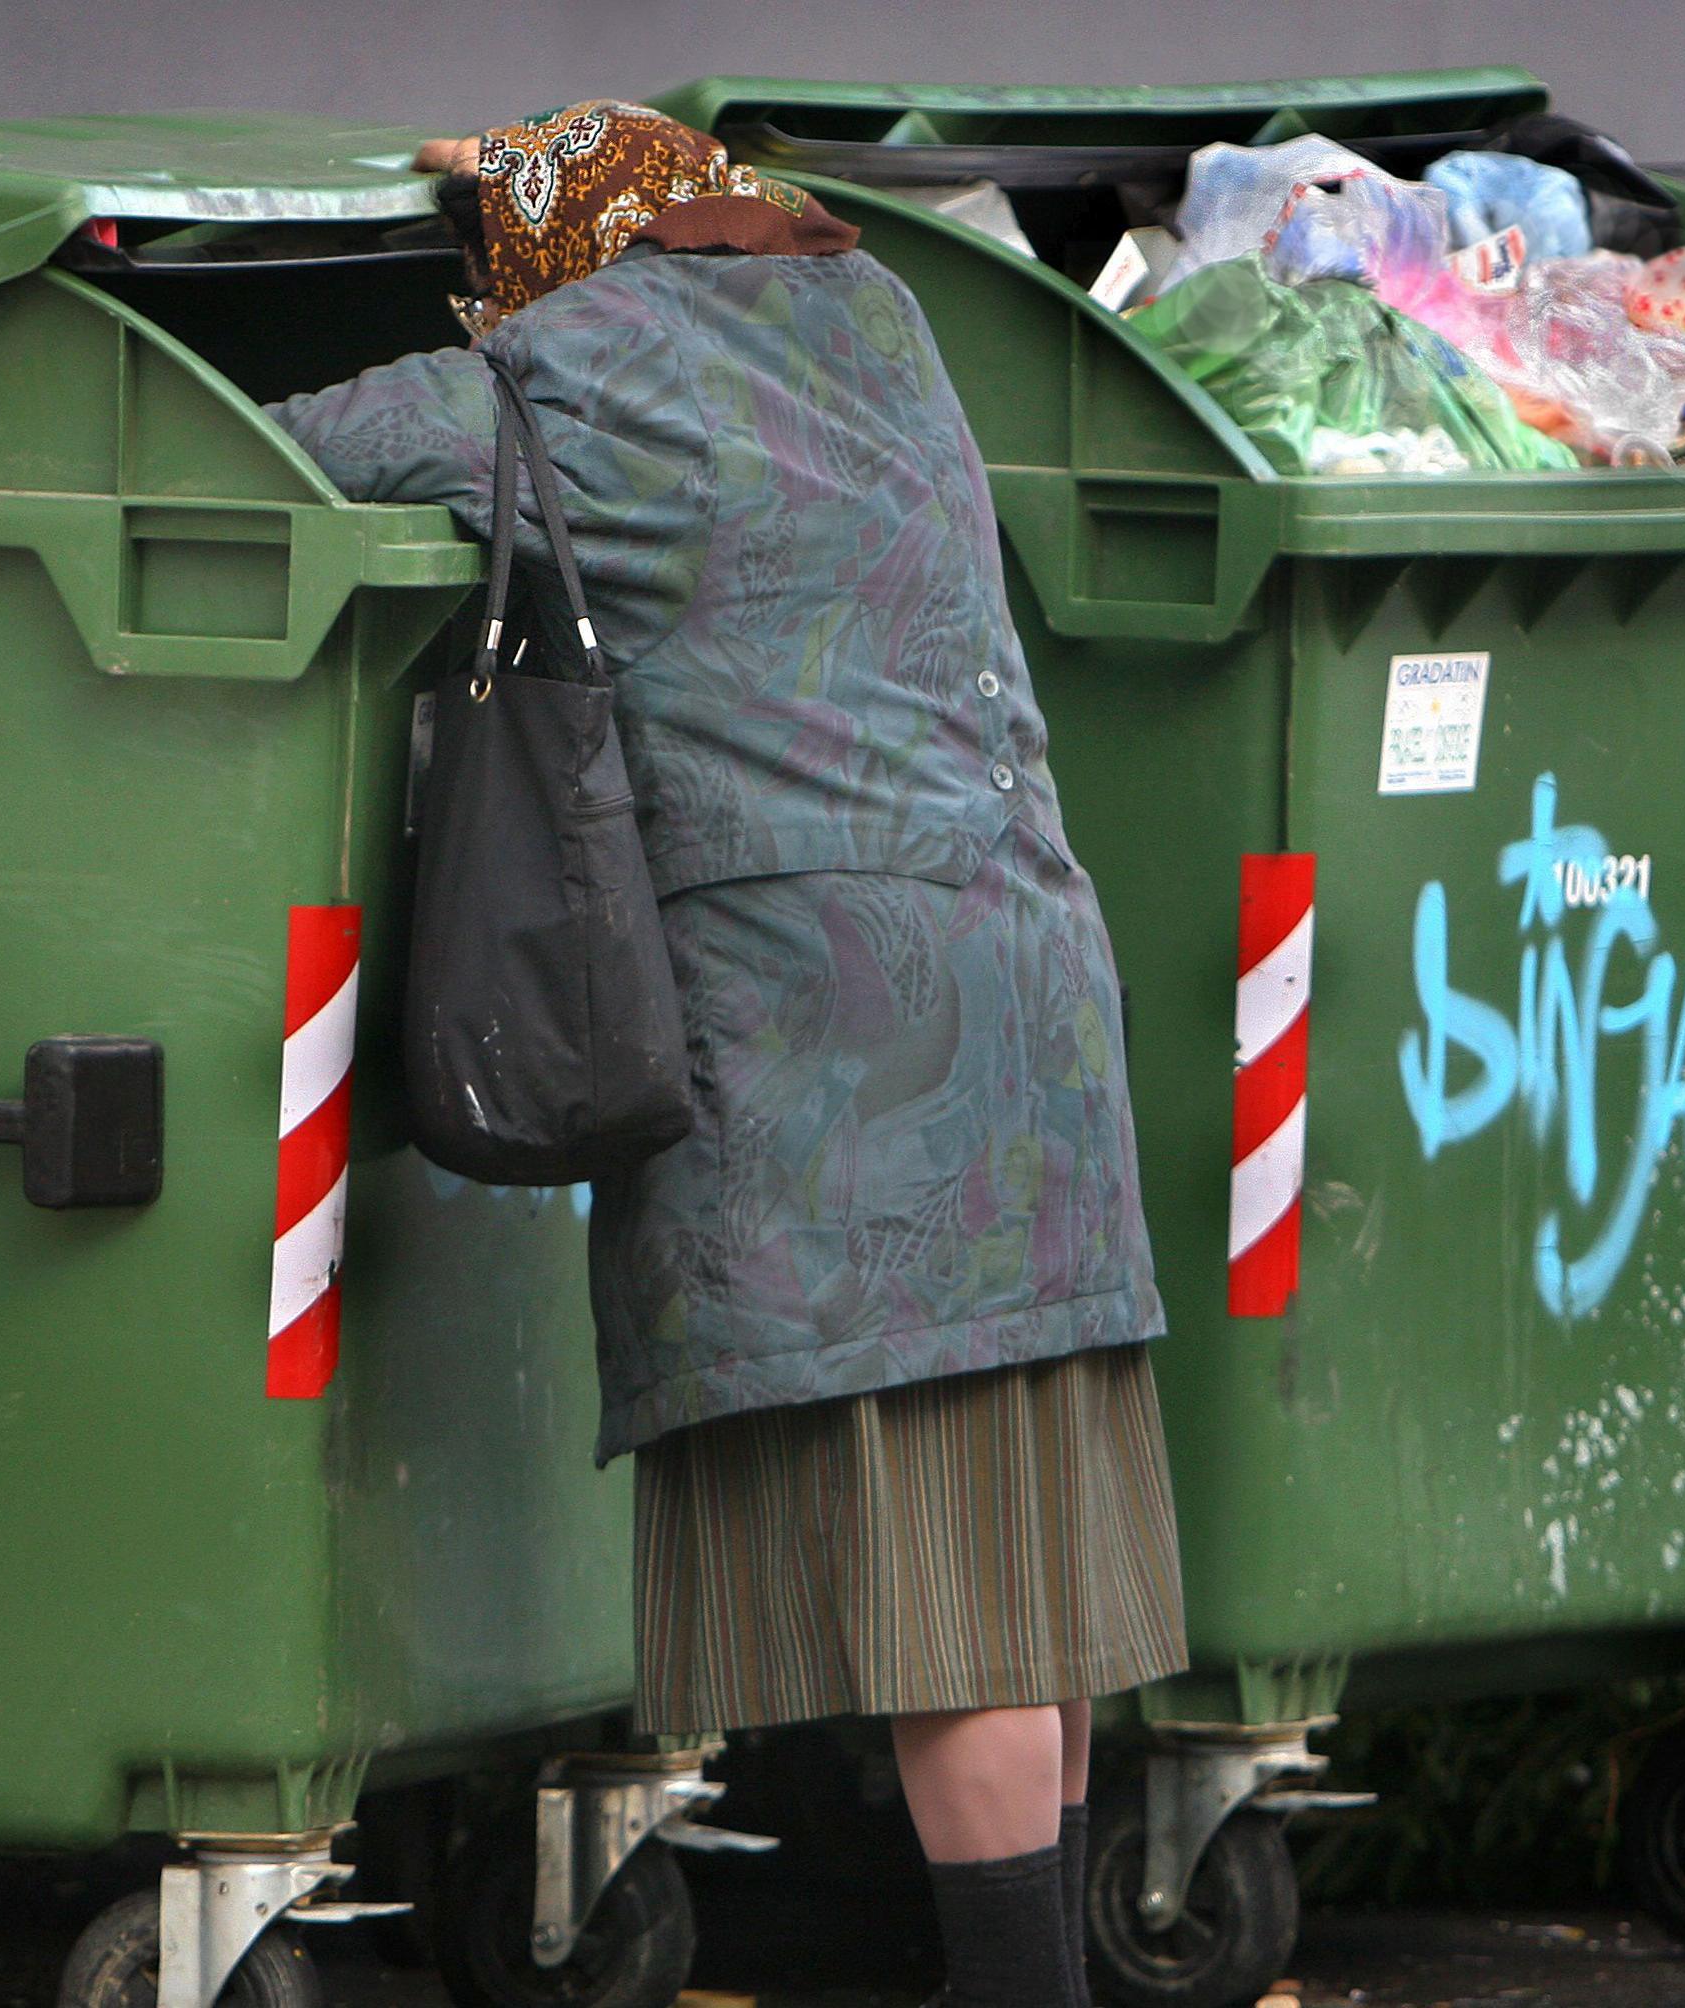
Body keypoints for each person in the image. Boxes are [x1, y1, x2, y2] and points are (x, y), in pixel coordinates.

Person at [267, 103, 1185, 2008]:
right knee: (1022, 1569)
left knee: (956, 1600)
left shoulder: (583, 364)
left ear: (558, 258)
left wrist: (480, 253)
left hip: (860, 1040)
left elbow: (296, 457)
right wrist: (558, 178)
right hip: (1026, 978)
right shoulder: (881, 324)